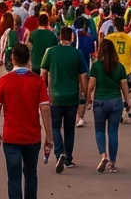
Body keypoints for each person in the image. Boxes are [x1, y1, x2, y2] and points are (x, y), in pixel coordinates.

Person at [0, 43, 52, 199]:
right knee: (31, 174)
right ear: (29, 59)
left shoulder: (4, 81)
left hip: (11, 137)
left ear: (12, 59)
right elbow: (45, 109)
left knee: (14, 177)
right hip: (32, 137)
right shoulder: (38, 81)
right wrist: (49, 137)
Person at [39, 25, 87, 173]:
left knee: (55, 127)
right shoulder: (77, 54)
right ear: (72, 38)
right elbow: (83, 75)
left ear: (60, 37)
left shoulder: (50, 52)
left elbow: (43, 74)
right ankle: (68, 159)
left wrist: (43, 92)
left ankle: (59, 153)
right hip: (72, 97)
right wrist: (84, 93)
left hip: (55, 97)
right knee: (69, 129)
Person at [87, 37, 131, 173]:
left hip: (100, 101)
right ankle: (112, 163)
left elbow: (91, 84)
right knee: (113, 132)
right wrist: (128, 100)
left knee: (99, 130)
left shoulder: (95, 66)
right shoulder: (119, 67)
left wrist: (88, 97)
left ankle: (103, 155)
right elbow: (124, 85)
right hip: (116, 102)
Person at [104, 16, 131, 112]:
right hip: (127, 69)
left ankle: (117, 109)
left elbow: (104, 54)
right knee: (127, 92)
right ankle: (125, 109)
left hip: (112, 69)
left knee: (115, 91)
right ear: (124, 26)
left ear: (114, 26)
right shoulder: (129, 38)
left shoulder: (109, 38)